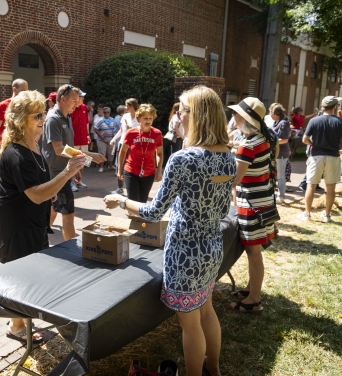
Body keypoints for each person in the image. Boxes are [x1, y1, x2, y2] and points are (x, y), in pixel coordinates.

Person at [104, 86, 235, 376]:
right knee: (207, 310)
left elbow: (153, 212)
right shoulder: (228, 156)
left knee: (190, 325)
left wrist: (122, 201)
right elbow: (223, 205)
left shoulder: (184, 159)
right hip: (212, 247)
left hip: (185, 253)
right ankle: (213, 369)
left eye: (182, 111)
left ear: (197, 116)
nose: (177, 117)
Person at [0, 90, 86, 343]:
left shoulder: (33, 145)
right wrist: (66, 173)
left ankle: (18, 322)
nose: (43, 119)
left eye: (43, 114)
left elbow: (40, 186)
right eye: (37, 115)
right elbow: (35, 194)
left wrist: (53, 191)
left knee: (27, 276)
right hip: (18, 225)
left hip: (32, 222)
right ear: (21, 119)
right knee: (20, 278)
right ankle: (17, 327)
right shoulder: (16, 153)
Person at [228, 97, 276, 314]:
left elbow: (234, 180)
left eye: (236, 113)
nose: (233, 116)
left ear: (245, 118)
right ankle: (251, 288)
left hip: (252, 204)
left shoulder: (248, 145)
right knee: (253, 252)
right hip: (263, 200)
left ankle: (254, 299)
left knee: (253, 252)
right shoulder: (261, 139)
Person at [41, 84, 106, 240]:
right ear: (63, 98)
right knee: (68, 213)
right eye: (74, 100)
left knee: (54, 209)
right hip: (55, 174)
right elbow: (59, 149)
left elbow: (67, 149)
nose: (77, 104)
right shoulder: (53, 119)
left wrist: (76, 169)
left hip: (64, 172)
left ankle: (39, 237)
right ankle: (72, 250)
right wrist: (87, 155)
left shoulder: (67, 116)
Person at [299, 96, 342, 222]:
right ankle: (327, 215)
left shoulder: (314, 120)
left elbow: (304, 140)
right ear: (335, 107)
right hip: (333, 156)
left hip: (316, 155)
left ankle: (307, 214)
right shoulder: (341, 121)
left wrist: (313, 144)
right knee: (330, 187)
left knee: (311, 185)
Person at [116, 104, 163, 203]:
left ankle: (139, 218)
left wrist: (159, 170)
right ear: (139, 119)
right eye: (145, 118)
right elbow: (123, 151)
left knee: (142, 202)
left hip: (149, 172)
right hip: (131, 171)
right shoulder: (131, 132)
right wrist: (120, 169)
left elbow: (159, 153)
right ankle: (132, 218)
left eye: (150, 118)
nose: (148, 121)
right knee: (133, 201)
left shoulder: (157, 133)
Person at [0, 78, 29, 164]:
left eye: (27, 91)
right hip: (6, 146)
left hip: (24, 145)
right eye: (23, 90)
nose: (26, 93)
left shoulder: (27, 106)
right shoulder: (2, 106)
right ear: (14, 89)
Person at [110, 98, 139, 194]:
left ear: (131, 106)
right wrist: (114, 139)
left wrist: (132, 128)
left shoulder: (139, 117)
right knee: (120, 164)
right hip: (122, 143)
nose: (125, 107)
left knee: (133, 165)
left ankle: (134, 187)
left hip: (134, 145)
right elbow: (121, 130)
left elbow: (140, 131)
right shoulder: (125, 116)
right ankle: (120, 188)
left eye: (126, 105)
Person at [270, 105, 291, 203]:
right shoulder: (276, 122)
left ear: (274, 114)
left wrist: (271, 142)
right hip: (275, 152)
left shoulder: (283, 123)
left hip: (281, 153)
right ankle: (273, 194)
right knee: (274, 174)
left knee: (281, 175)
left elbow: (285, 139)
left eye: (271, 113)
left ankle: (281, 196)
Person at [71, 88, 89, 191]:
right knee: (74, 161)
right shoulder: (71, 109)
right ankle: (72, 182)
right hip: (74, 139)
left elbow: (86, 122)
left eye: (82, 97)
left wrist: (88, 135)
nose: (82, 99)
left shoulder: (84, 107)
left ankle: (79, 181)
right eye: (80, 97)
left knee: (84, 161)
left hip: (83, 139)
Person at [93, 106, 116, 172]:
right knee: (102, 154)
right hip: (101, 140)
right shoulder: (100, 120)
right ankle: (101, 167)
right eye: (105, 112)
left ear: (109, 113)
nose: (106, 114)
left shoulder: (113, 120)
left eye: (107, 112)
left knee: (110, 154)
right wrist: (100, 136)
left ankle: (110, 166)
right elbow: (95, 128)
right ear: (103, 113)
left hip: (110, 140)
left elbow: (115, 129)